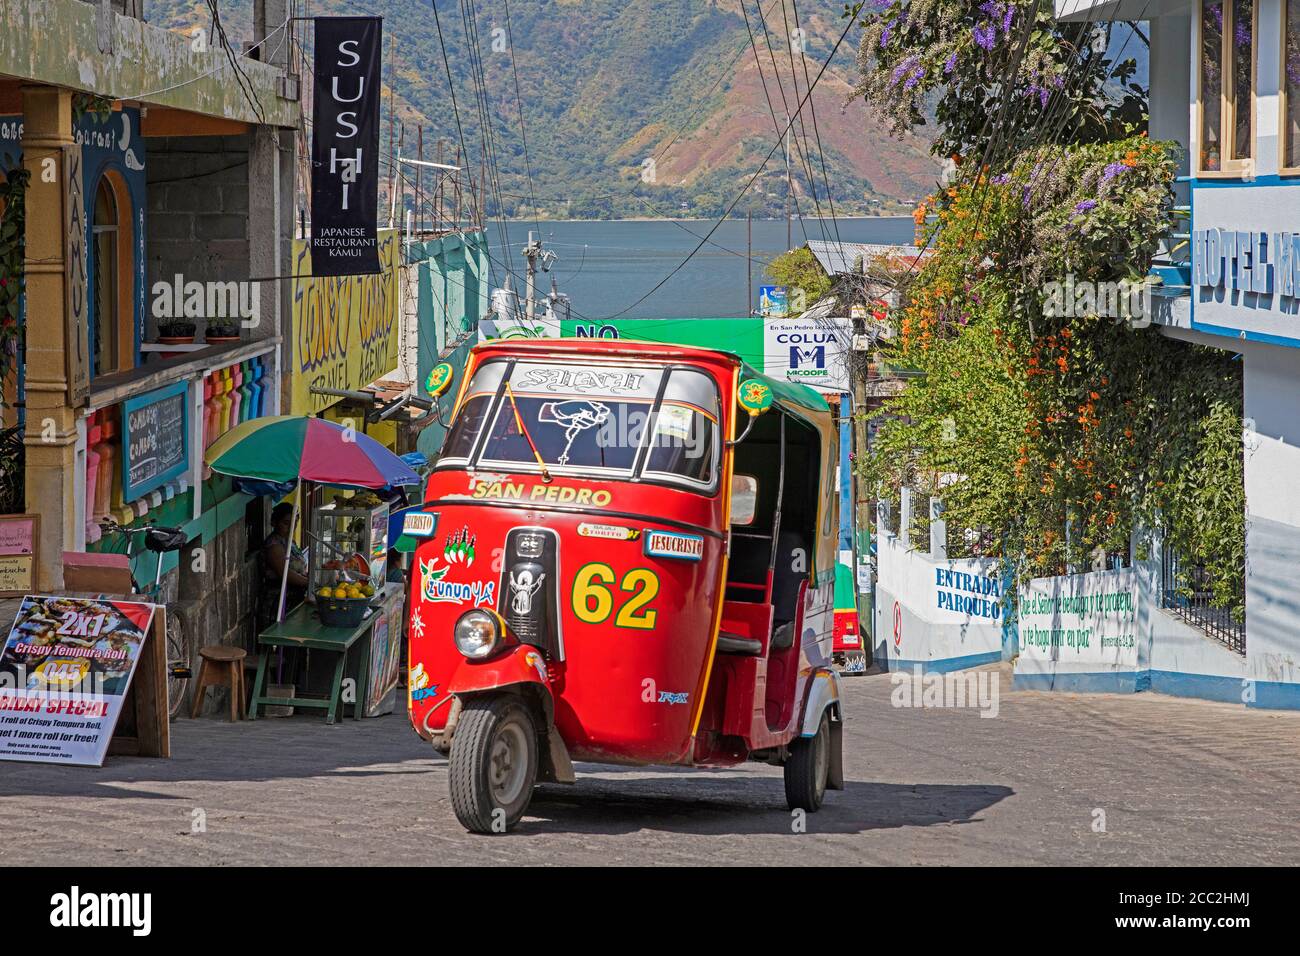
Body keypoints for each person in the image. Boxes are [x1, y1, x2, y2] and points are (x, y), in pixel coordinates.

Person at [260, 502, 309, 626]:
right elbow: (285, 573)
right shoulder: (274, 545)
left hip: (296, 597)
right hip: (280, 601)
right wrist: (309, 582)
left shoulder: (289, 541)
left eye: (295, 522)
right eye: (286, 523)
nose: (292, 527)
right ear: (275, 523)